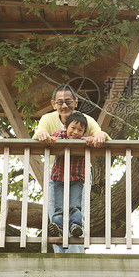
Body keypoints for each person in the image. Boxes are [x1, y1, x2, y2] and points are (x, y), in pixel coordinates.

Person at [32, 84, 110, 253]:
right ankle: (60, 258)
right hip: (56, 174)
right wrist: (42, 135)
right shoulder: (48, 119)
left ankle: (76, 257)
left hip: (80, 175)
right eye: (60, 102)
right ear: (54, 104)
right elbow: (39, 133)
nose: (64, 105)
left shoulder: (86, 120)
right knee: (56, 214)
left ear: (76, 102)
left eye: (68, 101)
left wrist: (98, 136)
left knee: (77, 213)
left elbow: (101, 134)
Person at [47, 111, 91, 239]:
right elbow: (52, 138)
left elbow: (92, 140)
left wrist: (90, 139)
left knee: (75, 206)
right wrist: (52, 140)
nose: (76, 132)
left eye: (80, 130)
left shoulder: (83, 140)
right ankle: (57, 228)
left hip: (76, 179)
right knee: (59, 206)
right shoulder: (60, 135)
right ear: (65, 127)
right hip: (59, 178)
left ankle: (75, 226)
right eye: (73, 128)